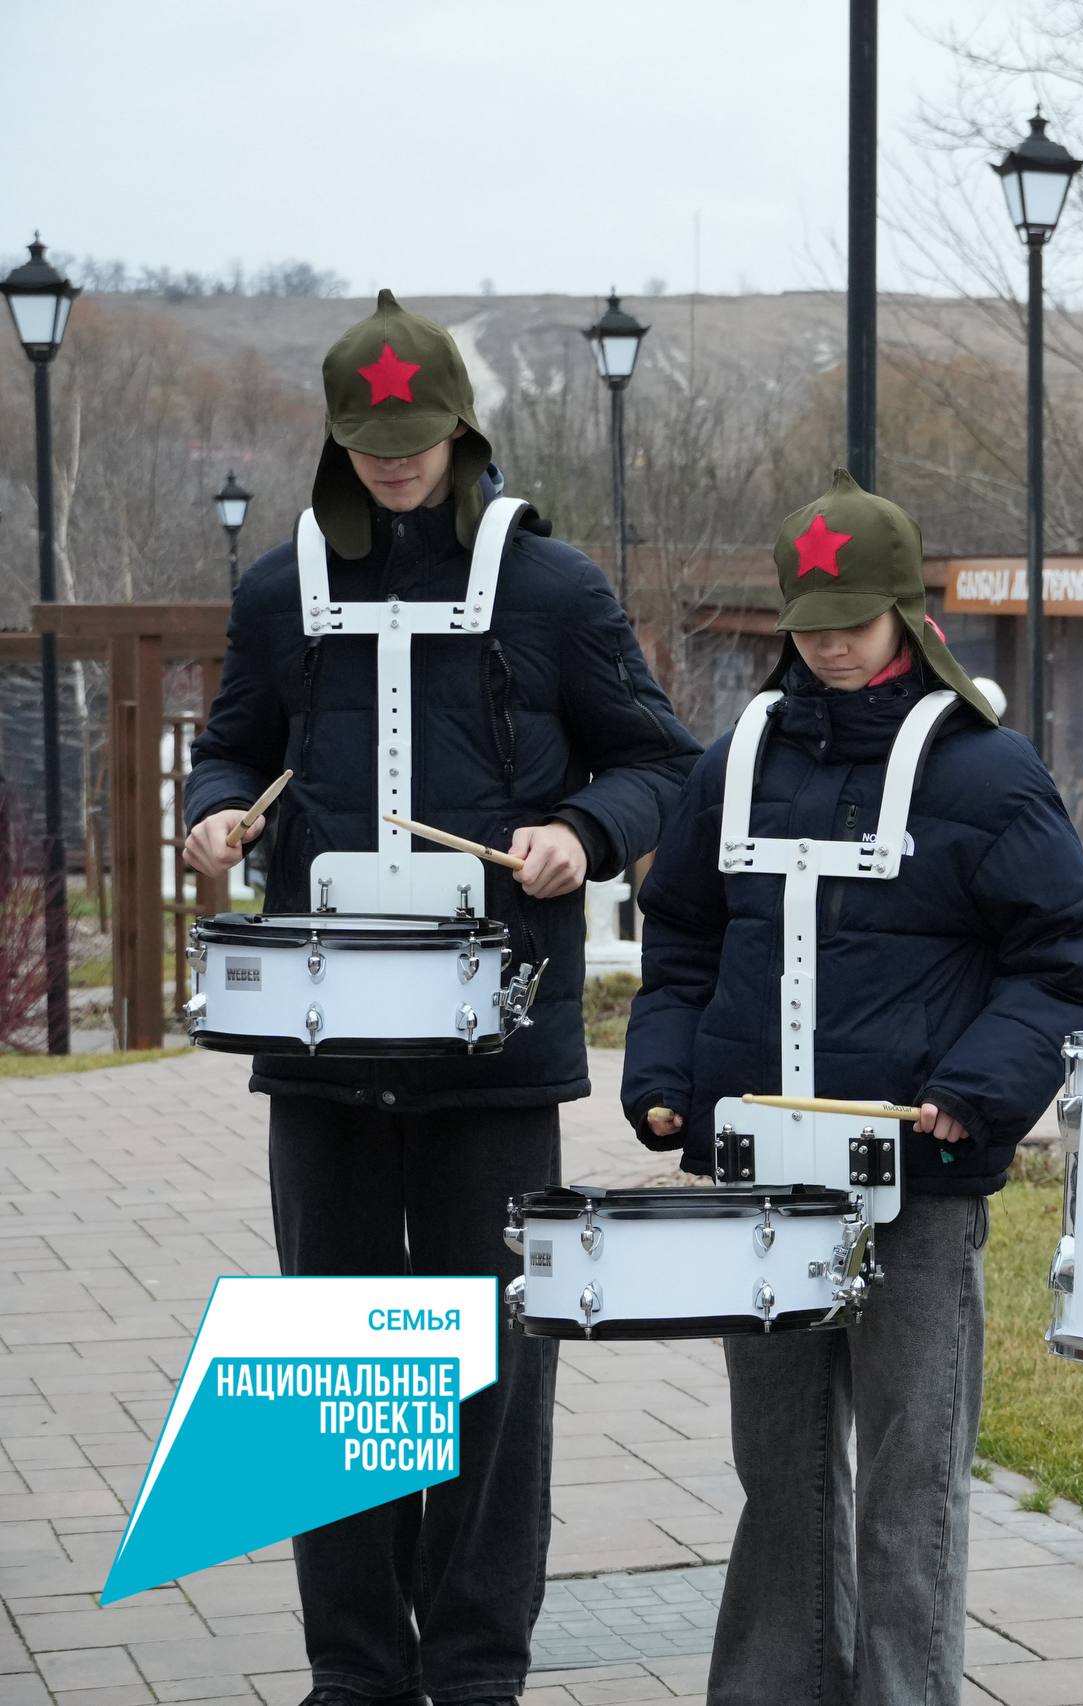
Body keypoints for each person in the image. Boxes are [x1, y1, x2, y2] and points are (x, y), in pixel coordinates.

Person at [182, 290, 700, 1706]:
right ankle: (354, 1671)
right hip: (322, 1038)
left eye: (412, 438)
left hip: (498, 1042)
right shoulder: (279, 589)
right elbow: (230, 747)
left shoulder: (556, 588)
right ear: (336, 438)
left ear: (460, 427)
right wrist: (216, 813)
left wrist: (582, 835)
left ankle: (475, 1671)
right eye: (365, 441)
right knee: (334, 1363)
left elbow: (660, 763)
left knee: (488, 1363)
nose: (391, 462)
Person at [621, 470, 1083, 1706]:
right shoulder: (734, 758)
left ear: (908, 609)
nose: (832, 641)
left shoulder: (989, 773)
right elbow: (679, 934)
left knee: (911, 1480)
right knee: (778, 1474)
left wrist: (978, 1087)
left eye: (855, 615)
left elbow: (1067, 963)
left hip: (920, 1186)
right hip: (757, 1182)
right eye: (810, 618)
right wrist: (665, 1071)